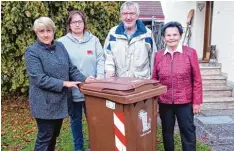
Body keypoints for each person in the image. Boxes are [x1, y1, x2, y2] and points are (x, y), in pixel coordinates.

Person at [24, 17, 94, 151]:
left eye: (48, 30)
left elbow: (71, 69)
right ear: (36, 33)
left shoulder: (60, 46)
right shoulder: (32, 52)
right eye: (41, 31)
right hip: (44, 104)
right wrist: (64, 83)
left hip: (60, 103)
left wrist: (84, 79)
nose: (45, 34)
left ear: (53, 31)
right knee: (45, 137)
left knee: (53, 136)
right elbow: (39, 79)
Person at [152, 21, 202, 151]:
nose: (172, 37)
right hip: (164, 102)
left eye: (175, 34)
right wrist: (155, 102)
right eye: (168, 35)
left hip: (185, 102)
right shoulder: (158, 55)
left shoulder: (190, 53)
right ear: (164, 38)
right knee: (167, 132)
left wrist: (197, 102)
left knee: (188, 131)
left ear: (180, 36)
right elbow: (154, 80)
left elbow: (197, 79)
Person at [58, 11, 104, 151]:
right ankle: (79, 147)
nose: (77, 24)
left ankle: (95, 146)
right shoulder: (61, 42)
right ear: (69, 25)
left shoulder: (93, 40)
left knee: (94, 120)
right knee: (75, 121)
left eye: (80, 21)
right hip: (73, 90)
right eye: (74, 22)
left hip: (92, 90)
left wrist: (100, 77)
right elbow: (62, 66)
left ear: (84, 24)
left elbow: (101, 59)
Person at [104, 1, 156, 79]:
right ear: (121, 16)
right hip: (119, 83)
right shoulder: (113, 33)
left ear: (137, 16)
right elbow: (108, 55)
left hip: (141, 83)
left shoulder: (147, 34)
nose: (128, 17)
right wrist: (109, 72)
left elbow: (153, 59)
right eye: (125, 14)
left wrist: (152, 82)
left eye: (132, 13)